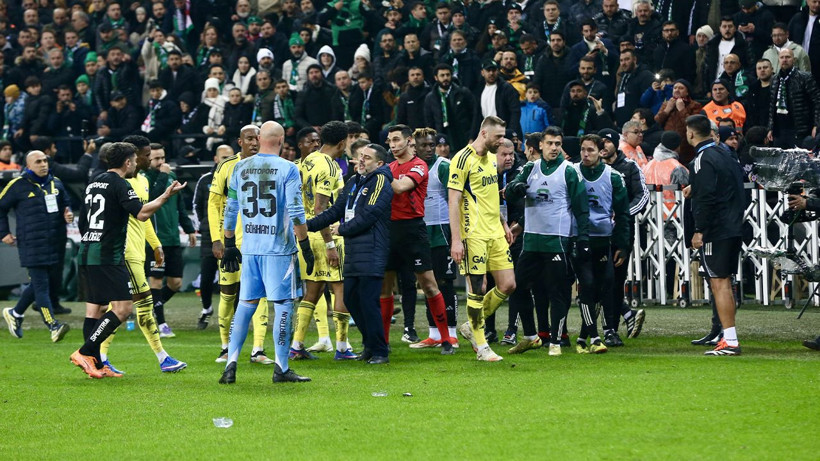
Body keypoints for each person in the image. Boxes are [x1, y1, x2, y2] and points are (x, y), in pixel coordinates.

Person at [69, 142, 186, 379]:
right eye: (134, 160)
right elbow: (141, 213)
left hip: (87, 251)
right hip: (109, 254)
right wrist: (165, 195)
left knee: (96, 309)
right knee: (122, 309)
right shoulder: (120, 183)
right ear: (127, 162)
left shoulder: (94, 182)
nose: (135, 164)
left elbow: (83, 223)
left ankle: (97, 364)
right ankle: (85, 352)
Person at [217, 121, 314, 384]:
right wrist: (305, 246)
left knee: (246, 305)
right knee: (283, 306)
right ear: (282, 141)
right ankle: (281, 368)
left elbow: (231, 208)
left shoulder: (240, 167)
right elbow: (296, 210)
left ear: (259, 139)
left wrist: (228, 243)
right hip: (279, 250)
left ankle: (230, 364)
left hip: (250, 249)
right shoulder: (288, 169)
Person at [307, 143, 394, 363]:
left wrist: (342, 229)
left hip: (372, 248)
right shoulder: (354, 181)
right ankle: (370, 345)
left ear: (380, 164)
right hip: (355, 249)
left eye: (367, 158)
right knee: (351, 298)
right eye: (360, 156)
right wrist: (307, 225)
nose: (361, 160)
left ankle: (380, 351)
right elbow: (336, 210)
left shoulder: (381, 181)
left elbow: (370, 214)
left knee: (368, 300)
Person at [505, 127, 588, 355]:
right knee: (517, 287)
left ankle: (555, 340)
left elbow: (582, 208)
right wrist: (516, 188)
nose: (554, 148)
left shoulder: (569, 171)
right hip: (532, 241)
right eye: (550, 143)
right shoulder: (531, 168)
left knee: (557, 291)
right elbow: (510, 191)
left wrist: (583, 238)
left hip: (557, 241)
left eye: (558, 144)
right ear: (540, 145)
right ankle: (531, 336)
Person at [379, 124, 454, 354]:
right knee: (385, 288)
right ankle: (384, 343)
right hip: (390, 230)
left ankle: (446, 340)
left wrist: (380, 171)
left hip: (413, 230)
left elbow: (401, 187)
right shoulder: (390, 166)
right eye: (389, 141)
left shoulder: (419, 166)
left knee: (429, 285)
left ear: (408, 140)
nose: (392, 145)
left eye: (396, 140)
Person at [448, 116, 517, 362]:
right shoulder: (462, 159)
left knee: (508, 284)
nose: (501, 142)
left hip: (495, 232)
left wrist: (503, 223)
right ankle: (481, 345)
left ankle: (470, 326)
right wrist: (456, 240)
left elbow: (488, 196)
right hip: (473, 233)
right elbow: (454, 200)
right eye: (498, 137)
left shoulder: (490, 160)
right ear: (484, 133)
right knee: (478, 289)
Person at [289, 121, 356, 361]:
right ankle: (342, 347)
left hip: (306, 234)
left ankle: (297, 345)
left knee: (313, 291)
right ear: (341, 143)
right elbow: (321, 208)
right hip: (328, 234)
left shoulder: (308, 160)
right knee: (340, 288)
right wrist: (330, 245)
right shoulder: (329, 166)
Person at [208, 125, 274, 364]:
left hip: (261, 241)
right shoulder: (226, 167)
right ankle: (225, 347)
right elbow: (214, 204)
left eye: (258, 138)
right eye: (249, 138)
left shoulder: (270, 164)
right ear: (240, 142)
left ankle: (258, 349)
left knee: (262, 294)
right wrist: (217, 240)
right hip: (231, 242)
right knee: (228, 294)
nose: (255, 142)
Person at [686, 114, 745, 356]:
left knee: (719, 283)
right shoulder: (726, 154)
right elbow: (730, 186)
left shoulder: (701, 159)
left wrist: (699, 230)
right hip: (733, 226)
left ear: (690, 134)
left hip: (716, 230)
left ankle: (730, 340)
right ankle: (727, 336)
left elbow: (707, 198)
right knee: (726, 282)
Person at [0, 151, 71, 342]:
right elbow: (1, 207)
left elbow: (66, 203)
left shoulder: (56, 182)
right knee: (41, 285)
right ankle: (53, 325)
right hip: (31, 243)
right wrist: (4, 233)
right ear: (28, 166)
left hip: (53, 241)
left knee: (40, 283)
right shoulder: (17, 185)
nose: (43, 164)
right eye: (38, 162)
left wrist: (68, 213)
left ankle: (15, 313)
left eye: (45, 161)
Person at [573, 134, 630, 352]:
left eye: (591, 150)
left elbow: (623, 214)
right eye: (583, 150)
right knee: (587, 285)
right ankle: (587, 334)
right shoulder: (572, 172)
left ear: (601, 152)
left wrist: (622, 246)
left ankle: (607, 330)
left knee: (607, 284)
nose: (586, 155)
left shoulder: (613, 176)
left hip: (603, 239)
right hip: (579, 238)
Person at [599, 128, 647, 339]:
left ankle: (611, 329)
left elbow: (643, 196)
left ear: (615, 144)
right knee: (595, 281)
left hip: (621, 233)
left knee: (616, 281)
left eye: (606, 142)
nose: (603, 146)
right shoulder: (591, 168)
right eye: (599, 142)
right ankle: (626, 315)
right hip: (596, 233)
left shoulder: (629, 167)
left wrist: (622, 215)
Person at [144, 144, 196, 338]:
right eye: (156, 159)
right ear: (148, 160)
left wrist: (189, 228)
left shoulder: (171, 177)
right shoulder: (145, 179)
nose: (160, 162)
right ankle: (161, 323)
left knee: (176, 283)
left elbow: (179, 206)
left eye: (163, 158)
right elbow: (152, 198)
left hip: (173, 237)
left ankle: (149, 310)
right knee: (156, 281)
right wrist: (164, 176)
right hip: (155, 239)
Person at [193, 145, 234, 329]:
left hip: (232, 233)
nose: (227, 159)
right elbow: (197, 206)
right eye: (224, 156)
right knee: (206, 276)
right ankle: (207, 308)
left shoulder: (237, 177)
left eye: (230, 156)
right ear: (216, 158)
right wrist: (205, 224)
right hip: (210, 235)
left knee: (233, 275)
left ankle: (233, 314)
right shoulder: (205, 180)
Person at [767, 49, 820, 148]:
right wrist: (770, 127)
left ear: (794, 59)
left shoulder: (805, 77)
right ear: (778, 59)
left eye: (788, 57)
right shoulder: (774, 79)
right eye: (782, 57)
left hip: (800, 129)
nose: (784, 60)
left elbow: (817, 102)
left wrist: (817, 125)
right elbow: (772, 106)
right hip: (779, 130)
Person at [654, 79, 703, 164]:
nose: (677, 90)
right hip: (668, 146)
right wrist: (667, 110)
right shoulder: (666, 104)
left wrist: (682, 110)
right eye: (675, 88)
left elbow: (694, 125)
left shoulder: (695, 105)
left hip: (687, 148)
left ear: (687, 92)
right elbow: (657, 121)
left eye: (681, 88)